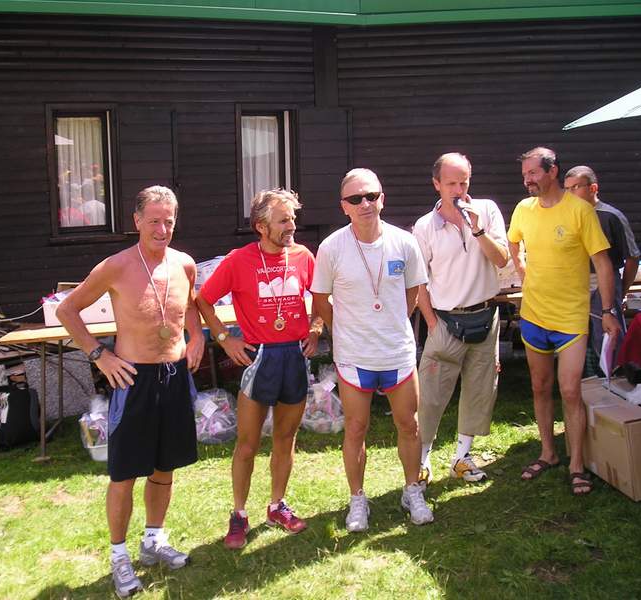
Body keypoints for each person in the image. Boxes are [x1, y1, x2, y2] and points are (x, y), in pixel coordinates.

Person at [56, 185, 204, 597]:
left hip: (175, 377)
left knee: (165, 466)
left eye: (168, 221)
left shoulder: (184, 264)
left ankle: (154, 540)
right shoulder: (116, 266)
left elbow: (191, 306)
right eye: (153, 220)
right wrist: (99, 354)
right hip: (133, 380)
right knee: (124, 473)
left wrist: (197, 337)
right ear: (137, 221)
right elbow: (68, 309)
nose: (162, 229)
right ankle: (119, 555)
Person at [196, 188, 322, 549]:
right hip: (260, 357)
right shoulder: (239, 260)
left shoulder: (303, 256)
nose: (291, 226)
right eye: (283, 220)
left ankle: (277, 506)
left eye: (292, 218)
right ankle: (239, 514)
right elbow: (203, 300)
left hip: (294, 357)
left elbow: (322, 297)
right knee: (248, 443)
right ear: (261, 227)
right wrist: (225, 339)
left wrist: (316, 328)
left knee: (286, 438)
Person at [311, 168, 434, 529]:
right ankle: (357, 500)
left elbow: (413, 292)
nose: (365, 203)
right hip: (354, 356)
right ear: (344, 206)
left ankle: (412, 491)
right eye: (356, 199)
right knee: (355, 428)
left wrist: (392, 322)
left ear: (382, 199)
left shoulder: (404, 242)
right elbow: (320, 299)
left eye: (371, 196)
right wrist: (342, 331)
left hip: (397, 352)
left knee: (409, 425)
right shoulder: (331, 247)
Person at [508, 148, 621, 496]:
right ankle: (548, 453)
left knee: (570, 390)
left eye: (533, 173)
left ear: (552, 171)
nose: (527, 179)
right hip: (533, 315)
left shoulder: (580, 210)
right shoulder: (523, 209)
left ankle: (577, 464)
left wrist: (608, 310)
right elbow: (513, 244)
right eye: (524, 174)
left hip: (571, 317)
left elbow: (603, 263)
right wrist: (523, 273)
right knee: (539, 386)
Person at [413, 153, 509, 487]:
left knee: (480, 391)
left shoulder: (487, 210)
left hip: (485, 314)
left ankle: (462, 457)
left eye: (464, 182)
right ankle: (421, 460)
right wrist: (431, 322)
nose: (458, 190)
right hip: (445, 320)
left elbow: (501, 259)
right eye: (451, 183)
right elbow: (419, 281)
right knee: (430, 396)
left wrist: (478, 229)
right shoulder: (425, 226)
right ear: (436, 184)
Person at [563, 165, 640, 372]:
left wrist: (621, 291)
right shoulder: (565, 215)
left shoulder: (611, 216)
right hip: (573, 284)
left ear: (593, 188)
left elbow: (632, 257)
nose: (570, 194)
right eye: (566, 189)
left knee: (607, 335)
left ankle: (614, 378)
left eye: (575, 187)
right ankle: (585, 380)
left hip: (604, 281)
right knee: (577, 337)